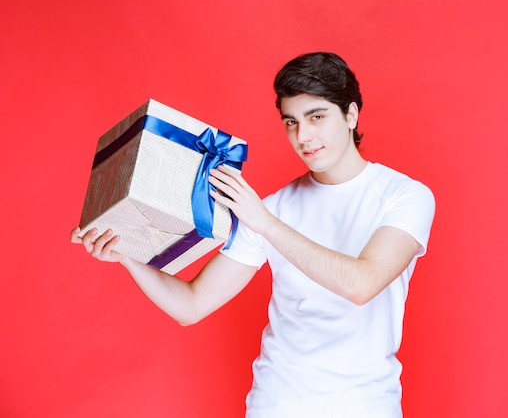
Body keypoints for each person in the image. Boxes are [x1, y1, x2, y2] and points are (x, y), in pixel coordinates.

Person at [70, 52, 435, 418]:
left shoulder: (404, 195)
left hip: (366, 405)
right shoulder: (271, 208)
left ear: (351, 115)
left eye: (317, 117)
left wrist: (265, 223)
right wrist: (127, 251)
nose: (302, 136)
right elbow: (192, 305)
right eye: (291, 121)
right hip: (276, 403)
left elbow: (361, 284)